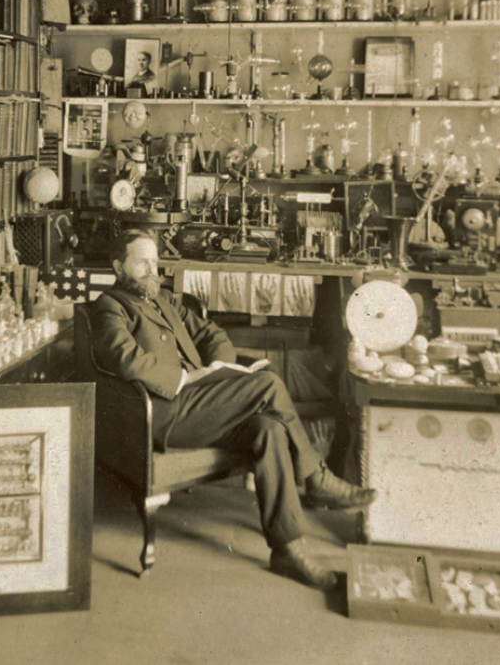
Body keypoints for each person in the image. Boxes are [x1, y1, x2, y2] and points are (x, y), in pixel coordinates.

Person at [90, 229, 375, 589]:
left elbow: (213, 335)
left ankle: (288, 548)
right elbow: (125, 360)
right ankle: (317, 479)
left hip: (198, 402)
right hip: (162, 413)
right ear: (119, 266)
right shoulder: (108, 307)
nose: (153, 269)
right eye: (142, 262)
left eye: (155, 261)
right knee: (268, 384)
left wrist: (216, 371)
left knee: (268, 430)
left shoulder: (163, 299)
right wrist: (184, 379)